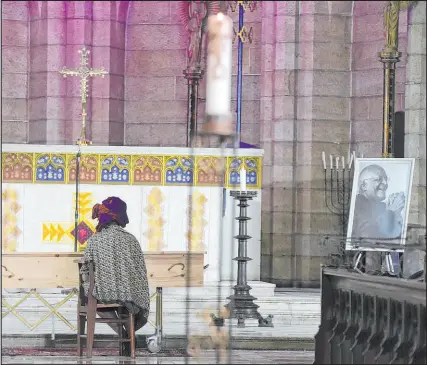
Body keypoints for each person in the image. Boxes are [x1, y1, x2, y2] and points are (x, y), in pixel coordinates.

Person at [80, 197, 150, 355]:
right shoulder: (131, 240)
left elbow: (85, 270)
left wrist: (93, 285)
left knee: (92, 296)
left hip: (103, 293)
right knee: (128, 301)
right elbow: (140, 272)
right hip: (128, 295)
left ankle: (123, 334)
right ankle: (128, 334)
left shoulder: (93, 241)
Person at [351, 164, 405, 240]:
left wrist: (397, 213)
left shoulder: (381, 206)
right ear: (364, 186)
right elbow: (367, 236)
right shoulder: (357, 204)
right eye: (378, 179)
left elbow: (394, 238)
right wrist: (391, 211)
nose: (385, 183)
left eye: (386, 179)